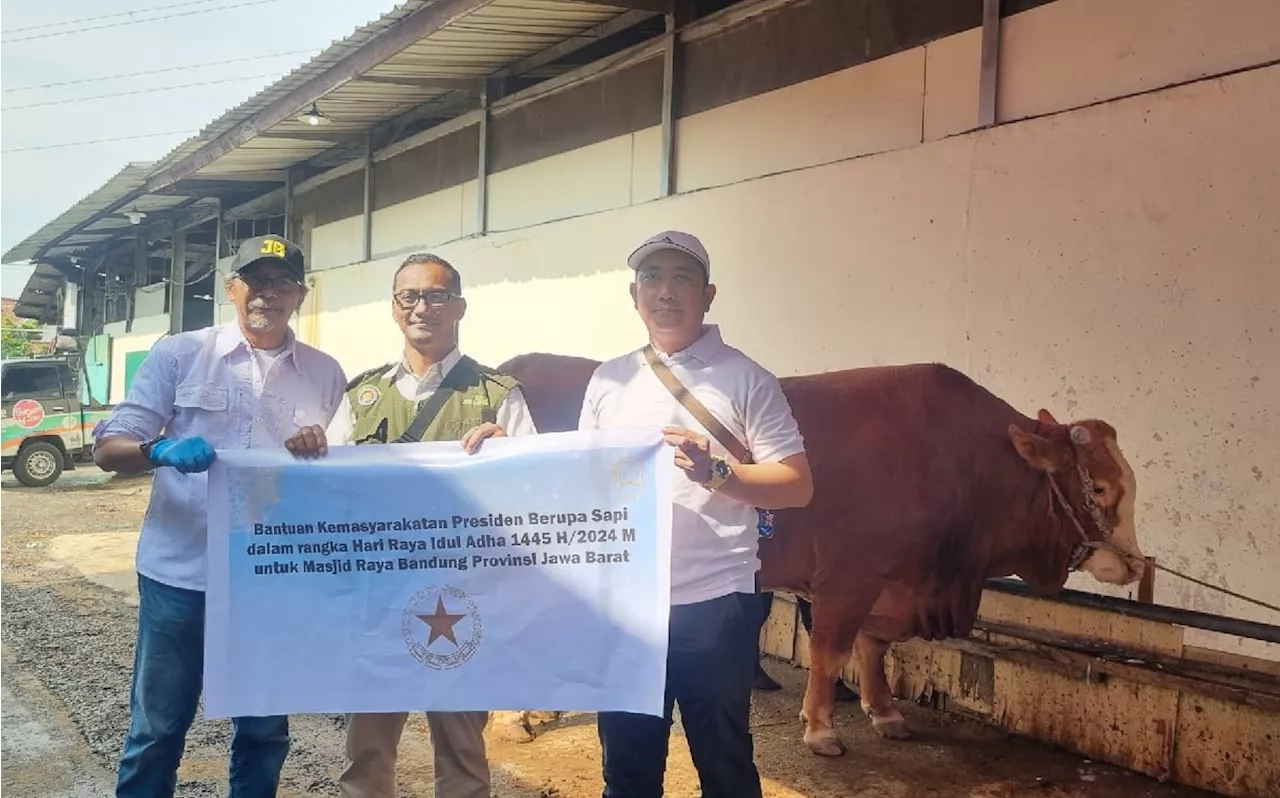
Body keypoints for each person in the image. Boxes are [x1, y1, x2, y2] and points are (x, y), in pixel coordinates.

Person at [93, 234, 348, 798]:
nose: (268, 293)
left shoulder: (326, 373)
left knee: (263, 731)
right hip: (181, 576)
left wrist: (317, 451)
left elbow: (335, 476)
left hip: (271, 582)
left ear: (301, 294)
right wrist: (156, 451)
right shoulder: (181, 353)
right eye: (256, 280)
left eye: (283, 282)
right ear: (232, 288)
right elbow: (109, 446)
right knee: (157, 729)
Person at [285, 252, 537, 798]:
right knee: (368, 753)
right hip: (379, 599)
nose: (422, 307)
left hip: (462, 602)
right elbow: (333, 497)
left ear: (459, 306)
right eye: (409, 297)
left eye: (436, 296)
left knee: (463, 752)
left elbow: (536, 501)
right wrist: (309, 453)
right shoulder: (361, 395)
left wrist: (512, 455)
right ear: (394, 309)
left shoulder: (500, 396)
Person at [578, 231, 814, 798]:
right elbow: (580, 481)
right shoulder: (608, 380)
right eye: (652, 278)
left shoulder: (746, 378)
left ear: (708, 295)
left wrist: (718, 473)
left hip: (716, 603)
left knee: (725, 765)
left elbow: (797, 484)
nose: (666, 291)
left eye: (682, 277)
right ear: (634, 295)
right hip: (628, 607)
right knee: (628, 773)